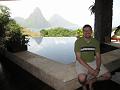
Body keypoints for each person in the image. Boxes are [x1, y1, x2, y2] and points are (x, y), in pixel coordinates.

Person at [74, 24, 111, 90]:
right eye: (85, 30)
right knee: (82, 79)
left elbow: (98, 57)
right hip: (81, 62)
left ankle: (91, 81)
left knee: (108, 76)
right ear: (83, 32)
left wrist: (97, 69)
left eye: (89, 30)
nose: (87, 32)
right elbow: (79, 58)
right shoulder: (78, 42)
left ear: (91, 31)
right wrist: (91, 70)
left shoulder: (95, 42)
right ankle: (84, 85)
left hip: (92, 61)